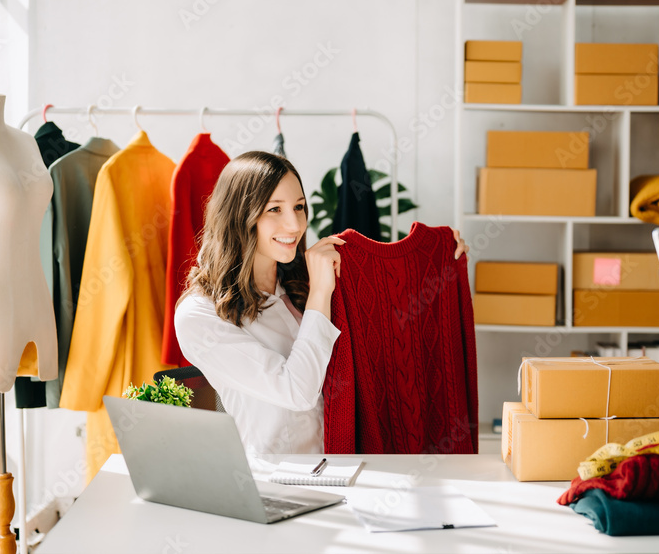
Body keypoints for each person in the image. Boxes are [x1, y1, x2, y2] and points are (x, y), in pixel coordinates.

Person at [174, 151, 467, 454]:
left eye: (299, 207)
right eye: (275, 209)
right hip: (276, 484)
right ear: (239, 216)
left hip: (353, 468)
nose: (294, 224)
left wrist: (440, 257)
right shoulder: (200, 315)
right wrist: (319, 295)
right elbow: (297, 391)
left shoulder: (307, 282)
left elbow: (390, 325)